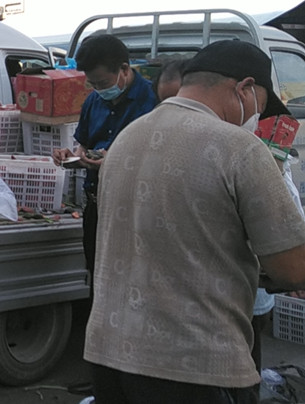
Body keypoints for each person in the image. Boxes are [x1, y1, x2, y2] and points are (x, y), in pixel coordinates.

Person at [84, 40, 305, 403]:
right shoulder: (241, 148)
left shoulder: (126, 138)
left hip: (109, 356)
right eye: (260, 108)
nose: (255, 119)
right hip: (195, 366)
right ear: (245, 89)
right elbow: (292, 270)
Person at [52, 34, 156, 284]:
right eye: (93, 84)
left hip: (135, 208)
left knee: (132, 282)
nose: (99, 90)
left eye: (102, 83)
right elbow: (83, 149)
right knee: (98, 277)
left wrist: (117, 159)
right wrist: (70, 156)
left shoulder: (152, 101)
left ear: (124, 69)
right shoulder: (93, 102)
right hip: (97, 204)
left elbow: (158, 159)